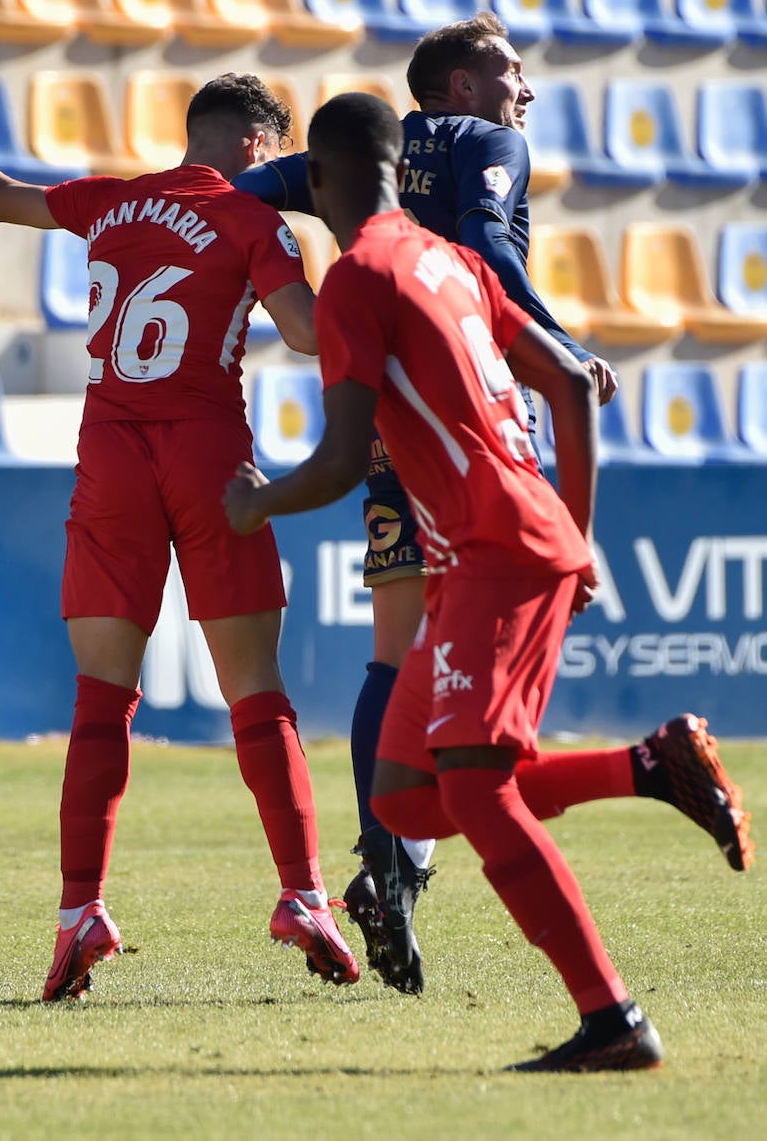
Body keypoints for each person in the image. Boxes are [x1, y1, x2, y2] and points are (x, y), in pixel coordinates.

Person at [224, 91, 753, 1072]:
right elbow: (568, 379)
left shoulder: (354, 279)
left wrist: (258, 504)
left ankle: (611, 1019)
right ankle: (648, 768)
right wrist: (580, 533)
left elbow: (342, 460)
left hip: (494, 548)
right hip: (499, 543)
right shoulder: (451, 259)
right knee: (403, 798)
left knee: (470, 786)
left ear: (325, 183)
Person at [0, 72, 360, 1000]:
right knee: (257, 691)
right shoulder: (258, 223)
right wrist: (355, 261)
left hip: (111, 456)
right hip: (212, 457)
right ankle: (302, 897)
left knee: (102, 697)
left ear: (195, 134)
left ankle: (78, 912)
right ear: (261, 146)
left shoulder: (114, 200)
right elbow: (302, 334)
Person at [233, 13, 620, 993]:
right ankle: (405, 864)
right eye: (506, 71)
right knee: (461, 706)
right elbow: (489, 246)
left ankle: (386, 859)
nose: (522, 90)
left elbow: (240, 196)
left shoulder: (354, 158)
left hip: (381, 427)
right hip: (472, 414)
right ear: (451, 87)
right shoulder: (487, 144)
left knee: (391, 646)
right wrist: (557, 348)